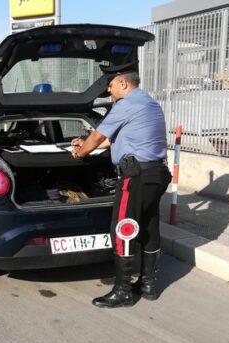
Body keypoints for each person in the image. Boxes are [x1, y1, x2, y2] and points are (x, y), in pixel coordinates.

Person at [70, 68, 172, 308]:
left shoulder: (125, 105)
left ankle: (123, 291)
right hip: (156, 173)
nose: (109, 89)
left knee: (123, 229)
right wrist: (85, 143)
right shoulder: (149, 103)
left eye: (111, 85)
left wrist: (80, 152)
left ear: (124, 84)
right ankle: (147, 285)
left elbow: (97, 137)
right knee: (148, 226)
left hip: (136, 176)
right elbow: (114, 138)